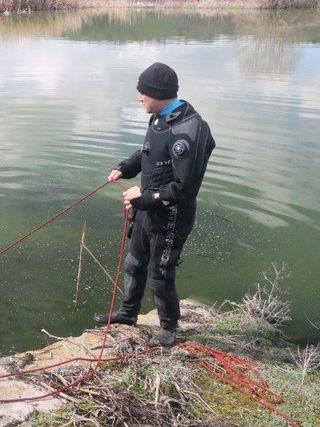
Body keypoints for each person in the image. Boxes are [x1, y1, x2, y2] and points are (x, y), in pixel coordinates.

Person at [94, 62, 215, 347]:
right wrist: (125, 168)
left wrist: (143, 198)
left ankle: (169, 329)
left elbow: (184, 189)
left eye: (142, 93)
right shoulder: (161, 117)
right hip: (148, 208)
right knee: (134, 264)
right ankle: (127, 313)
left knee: (160, 273)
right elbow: (149, 152)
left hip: (172, 215)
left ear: (158, 94)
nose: (138, 98)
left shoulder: (188, 130)